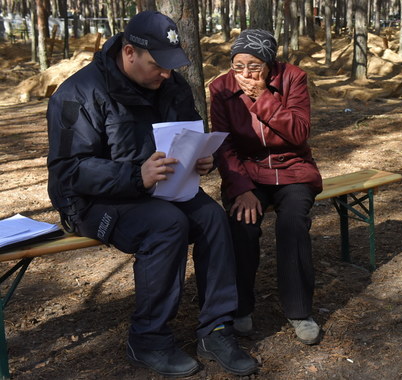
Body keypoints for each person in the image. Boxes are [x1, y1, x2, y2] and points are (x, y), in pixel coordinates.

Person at [46, 11, 258, 377]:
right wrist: (135, 175)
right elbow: (68, 171)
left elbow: (185, 134)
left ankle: (216, 329)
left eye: (170, 66)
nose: (165, 74)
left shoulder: (171, 85)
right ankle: (148, 338)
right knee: (167, 225)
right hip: (89, 201)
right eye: (157, 65)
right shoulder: (78, 93)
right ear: (129, 52)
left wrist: (197, 160)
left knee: (211, 219)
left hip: (159, 186)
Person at [209, 29, 323, 345]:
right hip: (247, 172)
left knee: (293, 223)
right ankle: (240, 307)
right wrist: (240, 187)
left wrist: (263, 98)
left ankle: (300, 311)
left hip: (293, 169)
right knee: (241, 223)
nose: (245, 74)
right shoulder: (220, 88)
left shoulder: (294, 78)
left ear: (269, 64)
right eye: (237, 66)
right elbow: (223, 145)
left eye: (254, 66)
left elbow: (299, 132)